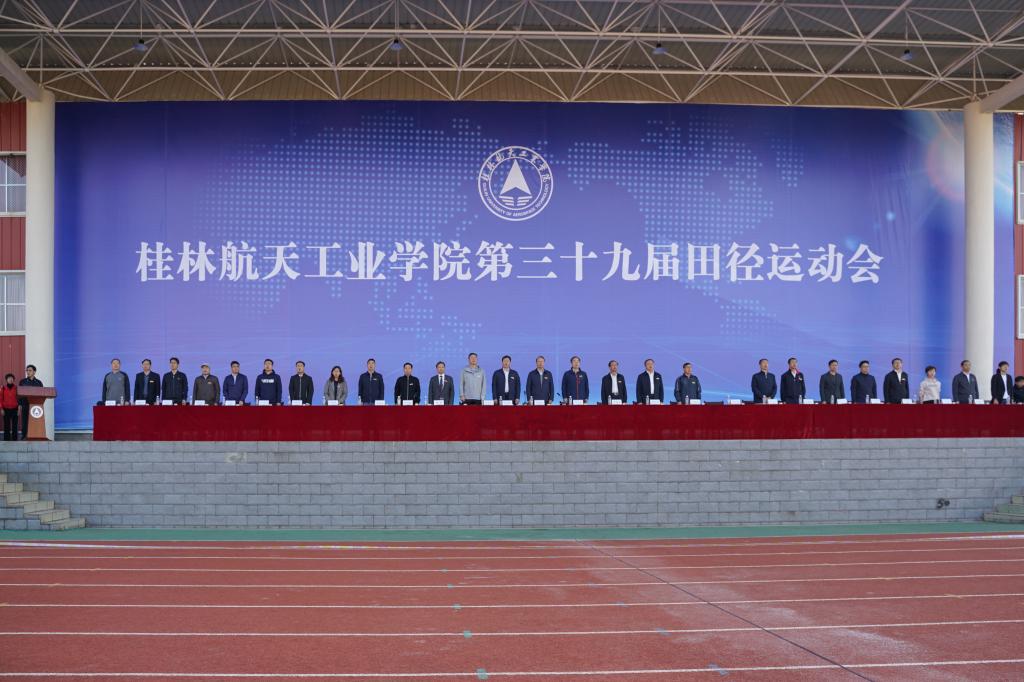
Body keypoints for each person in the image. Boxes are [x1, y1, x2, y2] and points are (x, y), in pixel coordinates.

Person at [18, 365, 42, 440]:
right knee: (25, 421)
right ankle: (24, 436)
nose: (28, 372)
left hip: (35, 405)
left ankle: (35, 435)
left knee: (35, 421)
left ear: (34, 372)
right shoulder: (23, 382)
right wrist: (19, 405)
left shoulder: (38, 382)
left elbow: (42, 393)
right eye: (27, 370)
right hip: (25, 404)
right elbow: (19, 394)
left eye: (30, 370)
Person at [1, 374, 18, 441]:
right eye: (9, 378)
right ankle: (6, 439)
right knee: (6, 425)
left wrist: (19, 408)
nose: (10, 379)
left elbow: (19, 399)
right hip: (6, 409)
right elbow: (0, 399)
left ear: (13, 380)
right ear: (6, 380)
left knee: (15, 425)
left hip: (15, 409)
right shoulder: (3, 388)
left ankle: (14, 439)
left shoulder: (16, 388)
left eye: (11, 378)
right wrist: (1, 409)